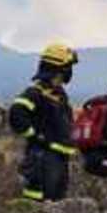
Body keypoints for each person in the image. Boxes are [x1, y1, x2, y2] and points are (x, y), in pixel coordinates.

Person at [8, 43, 78, 201]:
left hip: (59, 158)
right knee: (39, 200)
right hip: (43, 158)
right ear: (59, 69)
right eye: (68, 67)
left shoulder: (58, 94)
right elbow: (16, 113)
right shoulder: (36, 94)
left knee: (57, 202)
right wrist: (36, 137)